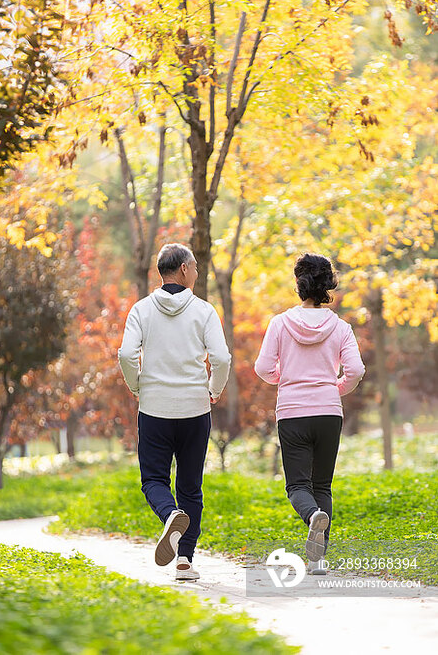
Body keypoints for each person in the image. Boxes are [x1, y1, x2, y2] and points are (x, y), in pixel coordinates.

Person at [118, 243, 231, 580]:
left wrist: (138, 386)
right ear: (183, 269)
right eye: (194, 266)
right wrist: (214, 390)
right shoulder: (204, 311)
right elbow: (222, 358)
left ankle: (169, 515)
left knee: (154, 479)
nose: (197, 271)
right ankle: (184, 560)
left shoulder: (141, 310)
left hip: (154, 409)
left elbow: (126, 354)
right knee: (191, 487)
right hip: (195, 410)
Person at [254, 253, 365, 575]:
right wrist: (335, 388)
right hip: (329, 411)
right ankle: (318, 559)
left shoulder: (280, 323)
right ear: (328, 284)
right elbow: (356, 370)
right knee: (323, 485)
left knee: (297, 486)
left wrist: (286, 381)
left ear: (299, 284)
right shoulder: (340, 326)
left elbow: (262, 368)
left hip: (292, 411)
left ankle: (311, 515)